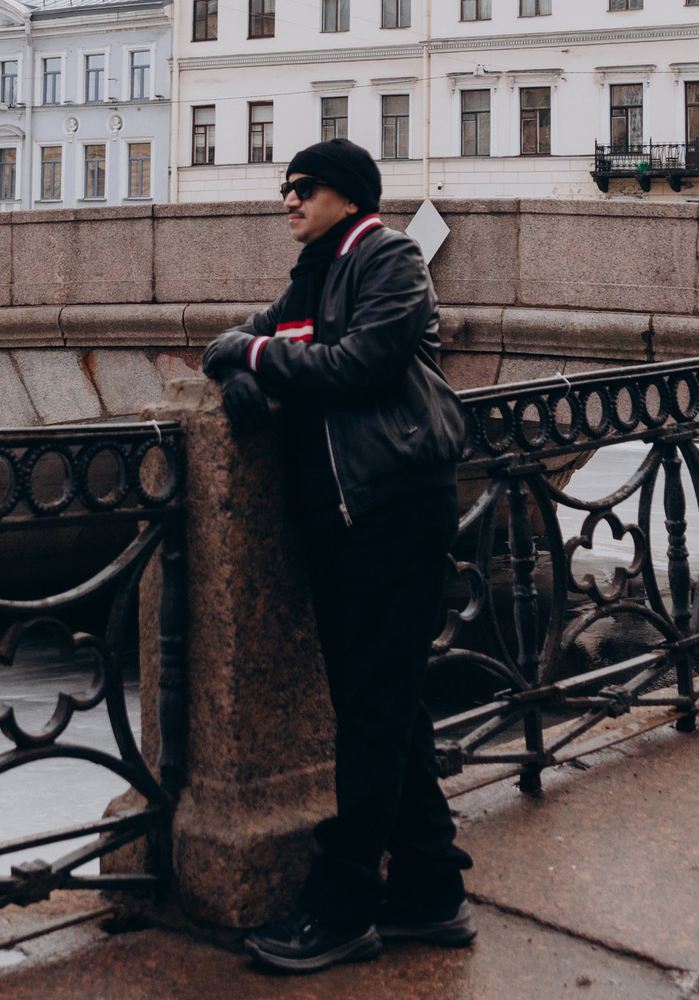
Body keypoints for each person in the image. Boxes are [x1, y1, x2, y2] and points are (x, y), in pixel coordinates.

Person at [201, 137, 474, 974]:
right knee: (383, 702)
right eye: (284, 187)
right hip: (339, 514)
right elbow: (226, 341)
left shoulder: (386, 257)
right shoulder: (307, 277)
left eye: (304, 186)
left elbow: (362, 364)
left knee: (368, 711)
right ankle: (429, 886)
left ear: (348, 195)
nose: (287, 198)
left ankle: (346, 897)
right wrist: (241, 369)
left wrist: (257, 357)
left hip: (392, 505)